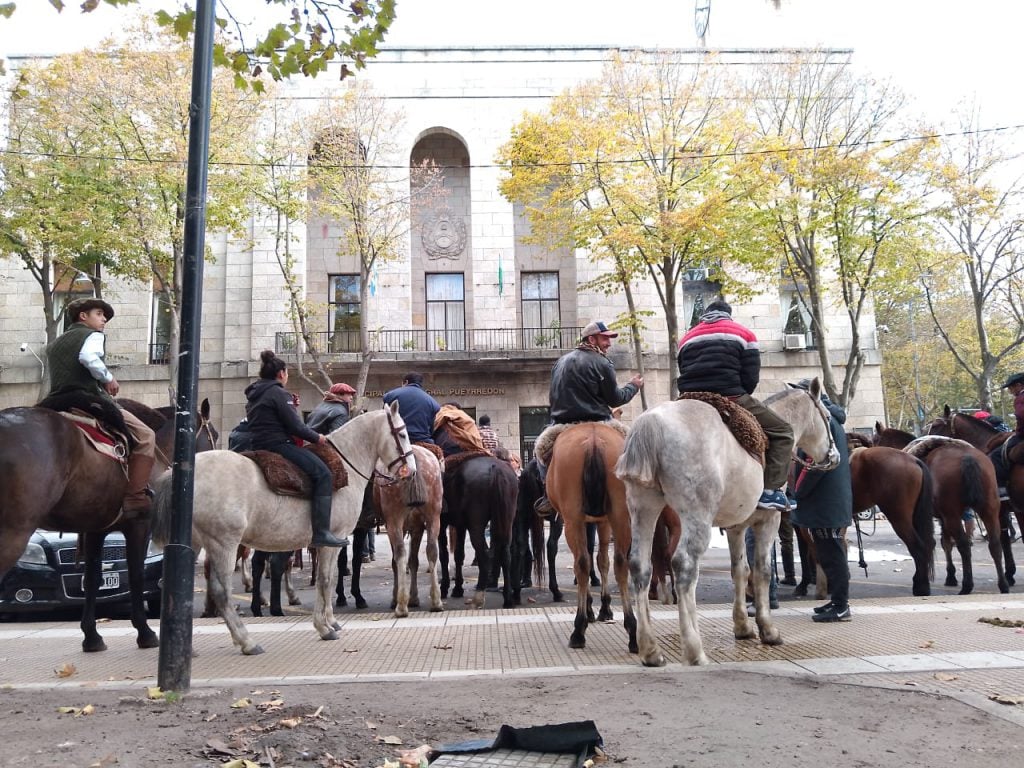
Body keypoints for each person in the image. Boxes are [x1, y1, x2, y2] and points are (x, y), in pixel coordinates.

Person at [677, 299, 795, 512]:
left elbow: (683, 368)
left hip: (689, 398)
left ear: (705, 315)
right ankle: (770, 492)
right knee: (784, 431)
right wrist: (741, 395)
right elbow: (750, 376)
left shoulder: (686, 337)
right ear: (728, 314)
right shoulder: (744, 334)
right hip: (729, 395)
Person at [44, 297, 157, 517]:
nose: (104, 319)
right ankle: (135, 497)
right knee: (146, 436)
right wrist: (108, 378)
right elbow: (87, 357)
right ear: (83, 316)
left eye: (104, 316)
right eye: (99, 313)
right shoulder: (93, 335)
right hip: (87, 398)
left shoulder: (55, 344)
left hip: (55, 400)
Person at [534, 319, 644, 514]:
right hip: (600, 421)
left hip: (562, 424)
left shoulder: (559, 362)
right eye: (605, 339)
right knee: (632, 444)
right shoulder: (603, 362)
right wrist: (633, 386)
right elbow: (615, 398)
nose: (609, 343)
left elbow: (553, 396)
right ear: (591, 339)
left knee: (540, 453)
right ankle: (640, 488)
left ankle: (547, 496)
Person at [245, 350, 346, 548]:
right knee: (323, 474)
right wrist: (318, 438)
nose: (287, 376)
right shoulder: (279, 393)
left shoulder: (254, 394)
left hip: (258, 444)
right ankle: (321, 532)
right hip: (279, 445)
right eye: (287, 373)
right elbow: (296, 427)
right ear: (281, 374)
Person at [788, 380, 852, 622]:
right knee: (826, 552)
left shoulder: (822, 421)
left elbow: (816, 462)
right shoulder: (827, 418)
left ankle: (842, 606)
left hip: (826, 499)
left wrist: (798, 492)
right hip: (826, 499)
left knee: (833, 553)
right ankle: (836, 601)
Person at [305, 382, 357, 579]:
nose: (351, 398)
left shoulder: (321, 407)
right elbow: (339, 441)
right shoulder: (339, 412)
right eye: (349, 395)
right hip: (322, 454)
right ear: (340, 395)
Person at [989, 371, 1024, 495]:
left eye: (1011, 387)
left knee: (996, 455)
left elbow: (1021, 415)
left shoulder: (1020, 398)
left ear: (1019, 385)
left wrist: (1018, 431)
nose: (1010, 391)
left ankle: (1002, 489)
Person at [383, 371, 441, 445]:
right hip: (422, 442)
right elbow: (432, 429)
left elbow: (384, 418)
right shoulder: (433, 402)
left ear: (406, 382)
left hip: (395, 439)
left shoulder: (390, 395)